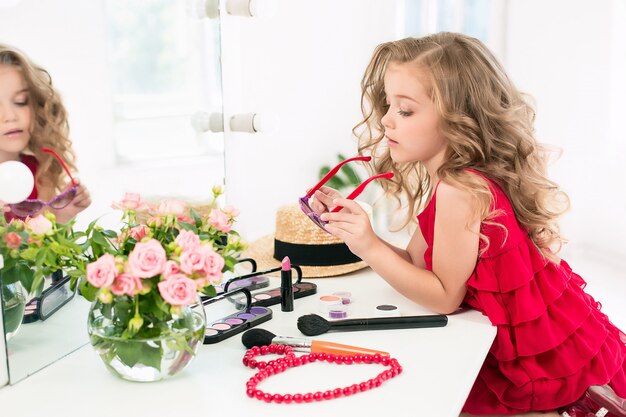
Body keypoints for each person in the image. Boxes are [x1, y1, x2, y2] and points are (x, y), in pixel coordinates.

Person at [311, 32, 625, 417]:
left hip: (534, 363)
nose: (386, 119)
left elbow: (444, 296)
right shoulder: (451, 178)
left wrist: (371, 249)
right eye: (388, 105)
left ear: (458, 118)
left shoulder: (460, 189)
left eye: (405, 111)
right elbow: (419, 264)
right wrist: (363, 234)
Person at [0, 44, 91, 224]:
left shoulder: (41, 172)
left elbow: (45, 247)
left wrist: (62, 217)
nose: (10, 116)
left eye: (21, 102)